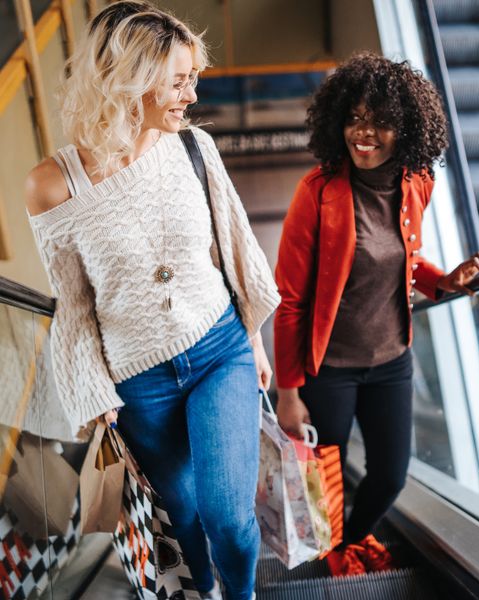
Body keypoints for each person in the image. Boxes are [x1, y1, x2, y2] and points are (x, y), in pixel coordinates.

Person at [25, 3, 280, 599]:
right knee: (181, 528)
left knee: (230, 524)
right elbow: (74, 304)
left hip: (220, 351)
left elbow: (235, 249)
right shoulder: (52, 184)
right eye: (179, 81)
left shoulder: (193, 148)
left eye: (193, 78)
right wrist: (93, 394)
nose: (191, 95)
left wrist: (254, 340)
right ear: (131, 80)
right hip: (139, 385)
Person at [274, 52, 479, 577]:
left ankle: (346, 544)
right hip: (330, 367)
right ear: (337, 121)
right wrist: (288, 394)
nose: (363, 133)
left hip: (392, 357)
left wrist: (441, 282)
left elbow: (404, 257)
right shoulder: (318, 193)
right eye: (354, 119)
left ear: (407, 129)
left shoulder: (417, 182)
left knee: (391, 475)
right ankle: (329, 556)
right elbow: (291, 301)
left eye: (380, 122)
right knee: (323, 475)